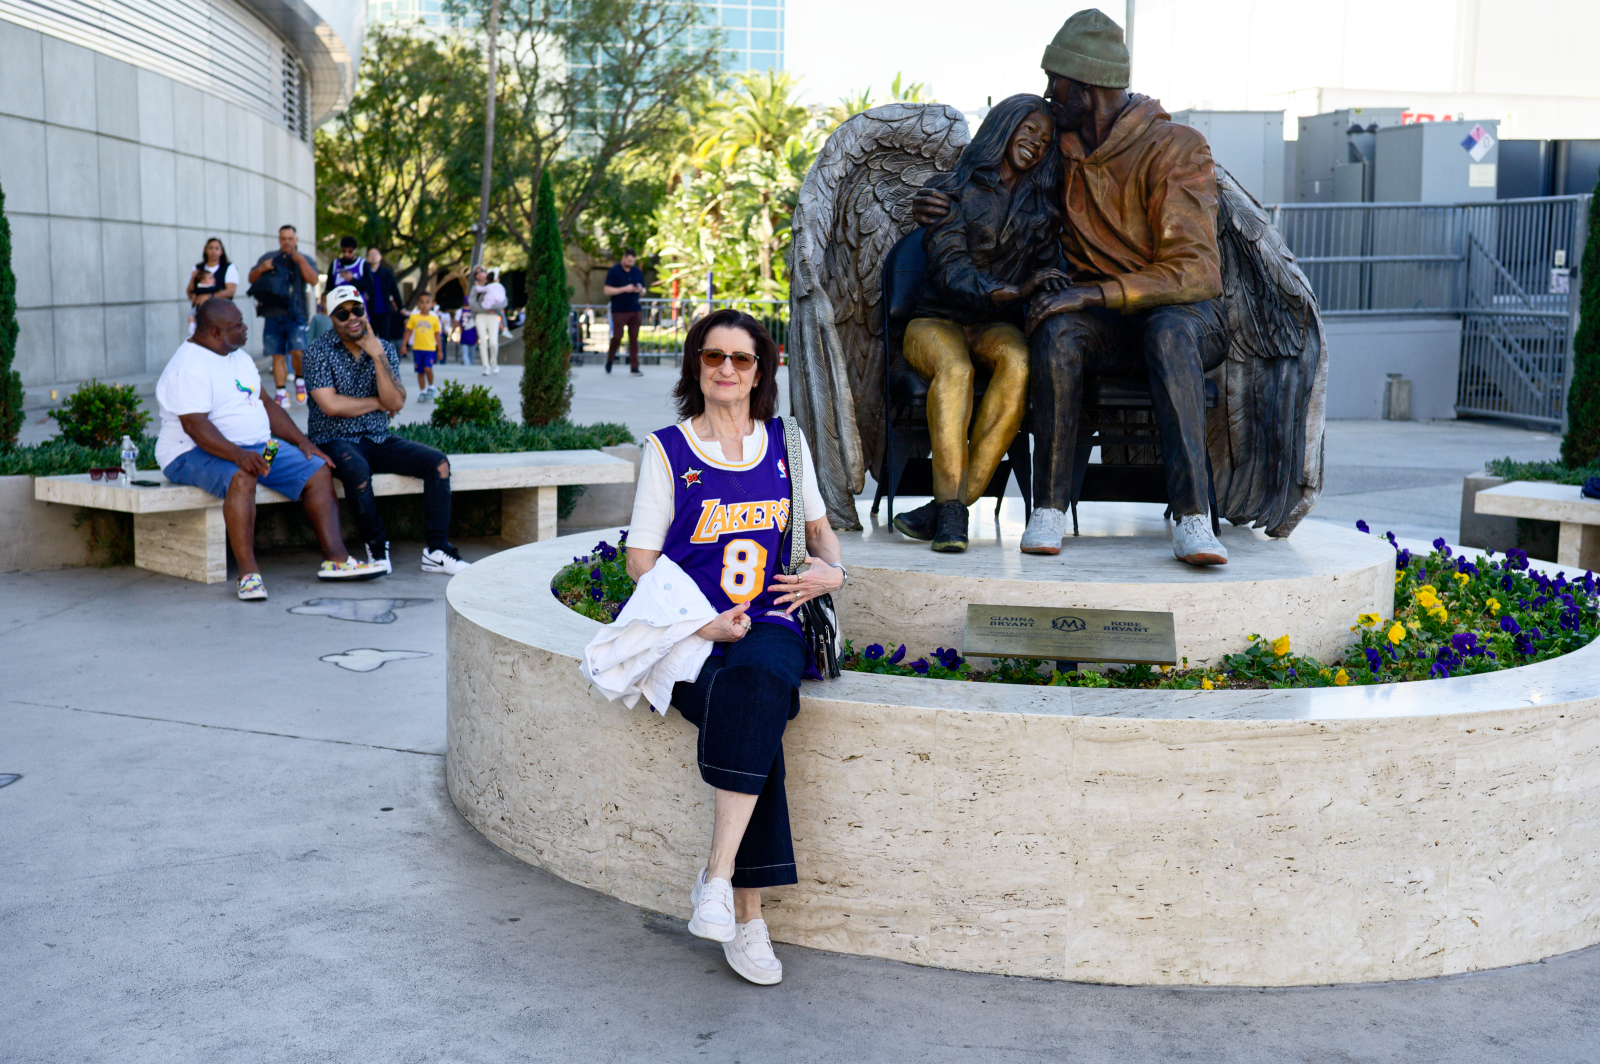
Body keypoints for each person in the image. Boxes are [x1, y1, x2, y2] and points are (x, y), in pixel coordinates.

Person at [912, 8, 1231, 566]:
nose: (1047, 93)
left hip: (1185, 313)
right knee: (1058, 332)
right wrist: (940, 198)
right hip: (1101, 320)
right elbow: (993, 171)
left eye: (1055, 83)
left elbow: (1196, 271)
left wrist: (1091, 292)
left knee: (1165, 332)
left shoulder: (1178, 147)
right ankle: (1049, 509)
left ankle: (1193, 519)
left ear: (1085, 86)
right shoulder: (1061, 147)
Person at [624, 308, 846, 986]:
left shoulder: (788, 443)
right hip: (690, 633)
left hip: (774, 619)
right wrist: (700, 624)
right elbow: (640, 560)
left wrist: (832, 572)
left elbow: (822, 535)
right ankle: (746, 918)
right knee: (754, 713)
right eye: (712, 356)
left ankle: (717, 880)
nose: (725, 369)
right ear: (696, 366)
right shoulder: (667, 449)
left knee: (755, 684)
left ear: (761, 371)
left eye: (740, 359)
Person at [893, 94, 1066, 553]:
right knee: (957, 370)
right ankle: (952, 512)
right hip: (935, 319)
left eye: (1045, 140)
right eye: (1028, 130)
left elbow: (1050, 269)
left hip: (993, 324)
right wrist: (1013, 290)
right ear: (1003, 127)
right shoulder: (951, 187)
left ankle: (949, 509)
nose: (1035, 143)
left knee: (1020, 362)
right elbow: (950, 270)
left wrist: (1048, 288)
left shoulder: (1042, 209)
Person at [155, 299, 384, 599]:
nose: (246, 328)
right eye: (237, 325)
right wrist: (238, 455)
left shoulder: (236, 356)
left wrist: (303, 442)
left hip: (255, 447)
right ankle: (249, 575)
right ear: (215, 332)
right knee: (242, 476)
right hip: (189, 453)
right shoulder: (188, 367)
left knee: (315, 467)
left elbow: (265, 403)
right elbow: (195, 427)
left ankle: (336, 560)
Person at [303, 284, 471, 577]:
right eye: (343, 314)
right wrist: (377, 403)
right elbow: (330, 406)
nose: (352, 317)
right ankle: (377, 550)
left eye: (357, 310)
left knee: (438, 463)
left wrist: (377, 356)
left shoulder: (384, 349)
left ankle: (437, 551)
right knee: (357, 470)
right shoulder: (317, 351)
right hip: (333, 438)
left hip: (378, 437)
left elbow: (395, 401)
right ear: (331, 318)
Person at [247, 224, 319, 409]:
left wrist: (300, 261)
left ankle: (300, 379)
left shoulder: (304, 259)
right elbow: (251, 278)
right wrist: (262, 268)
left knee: (297, 351)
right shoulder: (269, 258)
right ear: (279, 239)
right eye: (283, 238)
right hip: (272, 313)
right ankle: (281, 392)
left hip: (296, 314)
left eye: (290, 238)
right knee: (277, 355)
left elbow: (313, 280)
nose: (286, 242)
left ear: (296, 240)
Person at [603, 248, 647, 376]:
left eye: (632, 261)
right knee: (617, 337)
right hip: (619, 310)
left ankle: (634, 367)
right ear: (624, 257)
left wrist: (639, 289)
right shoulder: (614, 271)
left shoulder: (637, 271)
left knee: (634, 338)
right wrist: (625, 289)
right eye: (628, 261)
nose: (630, 264)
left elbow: (644, 291)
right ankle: (610, 360)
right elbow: (606, 290)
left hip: (635, 310)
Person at [186, 237, 238, 335]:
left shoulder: (229, 268)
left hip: (221, 313)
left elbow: (230, 291)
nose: (213, 251)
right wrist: (193, 280)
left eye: (216, 248)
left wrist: (209, 297)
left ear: (221, 251)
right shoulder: (197, 268)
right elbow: (190, 292)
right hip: (201, 314)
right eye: (211, 248)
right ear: (206, 250)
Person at [402, 291, 444, 401]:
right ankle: (422, 392)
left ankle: (431, 387)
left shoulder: (434, 318)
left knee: (427, 368)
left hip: (430, 349)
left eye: (427, 302)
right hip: (417, 348)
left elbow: (437, 335)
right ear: (418, 303)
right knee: (420, 371)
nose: (424, 305)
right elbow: (408, 331)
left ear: (431, 304)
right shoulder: (414, 317)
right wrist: (404, 345)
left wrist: (440, 350)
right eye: (422, 302)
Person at [468, 266, 507, 375]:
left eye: (482, 272)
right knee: (483, 342)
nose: (480, 274)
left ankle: (494, 362)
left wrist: (492, 308)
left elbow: (504, 302)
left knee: (494, 343)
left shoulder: (494, 283)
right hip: (480, 316)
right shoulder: (475, 287)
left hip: (493, 316)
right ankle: (486, 367)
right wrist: (485, 309)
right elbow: (472, 303)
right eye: (477, 273)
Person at [366, 246, 406, 341]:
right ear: (367, 258)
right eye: (371, 254)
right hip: (369, 312)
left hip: (385, 311)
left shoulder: (386, 272)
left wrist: (401, 307)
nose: (373, 256)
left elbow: (394, 290)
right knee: (370, 337)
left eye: (375, 254)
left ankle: (386, 356)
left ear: (380, 256)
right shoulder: (365, 273)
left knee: (385, 337)